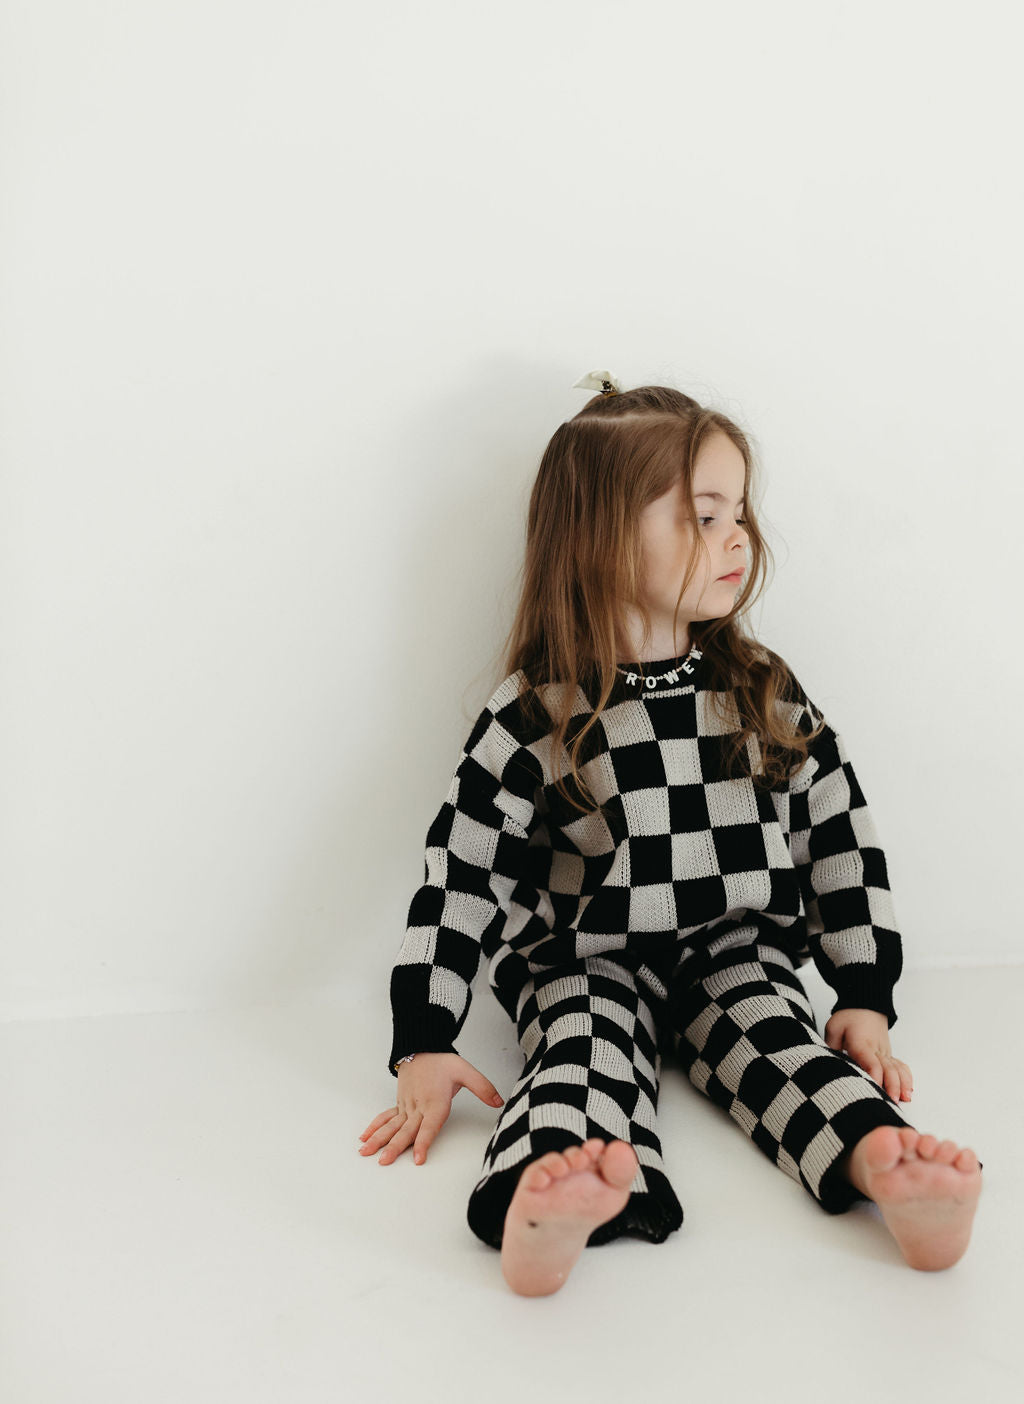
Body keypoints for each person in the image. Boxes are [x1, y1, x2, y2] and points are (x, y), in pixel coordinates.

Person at [357, 373, 984, 1296]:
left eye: (738, 512)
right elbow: (463, 870)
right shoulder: (537, 713)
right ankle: (552, 1195)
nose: (737, 537)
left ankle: (883, 1166)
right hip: (585, 957)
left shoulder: (759, 687)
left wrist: (863, 988)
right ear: (605, 536)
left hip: (737, 945)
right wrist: (423, 1037)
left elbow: (837, 830)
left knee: (780, 1044)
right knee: (579, 1053)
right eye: (702, 515)